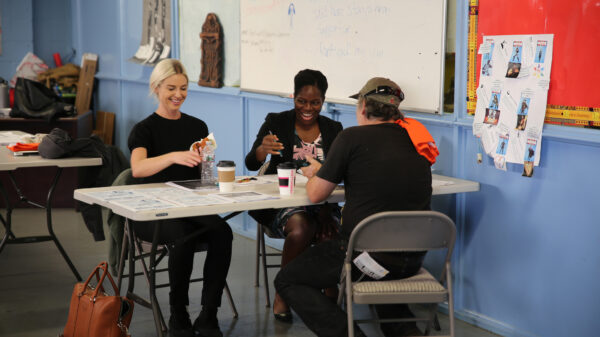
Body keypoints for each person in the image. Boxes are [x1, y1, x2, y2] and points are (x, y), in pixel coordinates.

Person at [275, 77, 437, 337]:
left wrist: (316, 175)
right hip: (411, 259)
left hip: (365, 259)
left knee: (288, 279)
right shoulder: (417, 138)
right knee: (381, 280)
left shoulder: (351, 137)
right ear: (395, 110)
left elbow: (316, 194)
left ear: (362, 107)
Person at [128, 59, 232, 337]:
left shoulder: (197, 125)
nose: (178, 94)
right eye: (171, 88)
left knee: (223, 232)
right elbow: (138, 168)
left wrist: (211, 166)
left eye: (184, 88)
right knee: (183, 235)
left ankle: (209, 313)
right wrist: (173, 156)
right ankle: (178, 311)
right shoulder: (144, 129)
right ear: (156, 88)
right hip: (152, 211)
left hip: (189, 204)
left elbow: (204, 174)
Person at [245, 69, 343, 322]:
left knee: (332, 229)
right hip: (283, 204)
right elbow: (251, 164)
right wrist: (261, 150)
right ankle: (283, 293)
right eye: (301, 101)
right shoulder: (276, 121)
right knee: (301, 228)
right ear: (294, 97)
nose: (308, 108)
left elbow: (339, 174)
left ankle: (329, 289)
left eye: (315, 102)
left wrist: (324, 212)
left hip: (322, 203)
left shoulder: (334, 129)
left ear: (323, 101)